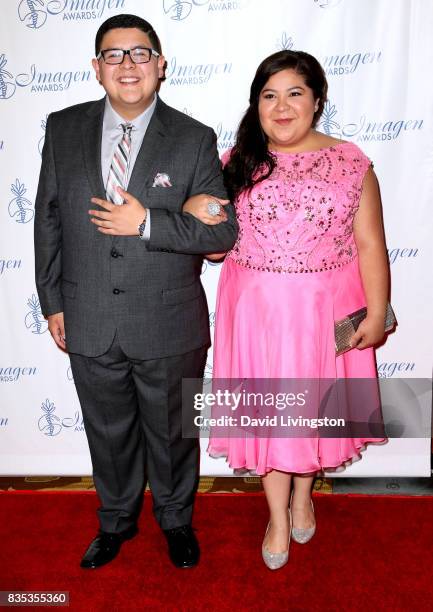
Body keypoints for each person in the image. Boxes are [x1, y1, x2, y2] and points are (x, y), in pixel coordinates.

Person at [34, 13, 237, 570]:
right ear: (97, 67)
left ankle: (176, 521)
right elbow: (47, 218)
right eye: (114, 54)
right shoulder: (62, 128)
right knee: (108, 431)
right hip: (87, 313)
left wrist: (149, 222)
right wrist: (52, 301)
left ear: (161, 65)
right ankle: (116, 521)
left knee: (174, 433)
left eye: (140, 53)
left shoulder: (194, 138)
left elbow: (222, 231)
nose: (128, 65)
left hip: (170, 321)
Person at [183, 50, 389, 569]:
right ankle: (277, 514)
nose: (281, 106)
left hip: (324, 311)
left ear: (317, 101)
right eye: (268, 95)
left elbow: (370, 245)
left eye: (294, 93)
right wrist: (195, 212)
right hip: (254, 313)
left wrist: (376, 310)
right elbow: (213, 249)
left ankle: (303, 496)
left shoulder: (351, 161)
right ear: (256, 104)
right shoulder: (234, 161)